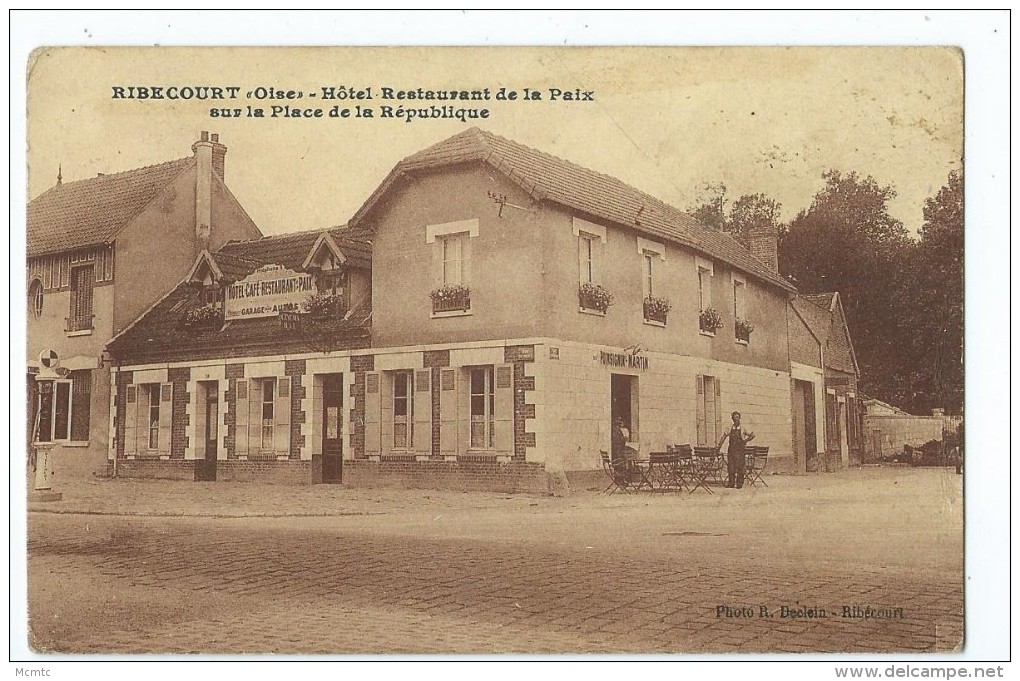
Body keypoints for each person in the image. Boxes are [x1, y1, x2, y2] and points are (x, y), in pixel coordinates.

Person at [717, 411, 755, 488]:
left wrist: (745, 441)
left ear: (739, 418)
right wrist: (718, 447)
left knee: (740, 466)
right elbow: (723, 437)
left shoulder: (743, 427)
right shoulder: (729, 428)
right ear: (732, 419)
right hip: (731, 450)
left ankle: (739, 484)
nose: (735, 419)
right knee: (731, 467)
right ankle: (731, 483)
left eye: (737, 417)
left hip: (740, 450)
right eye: (734, 418)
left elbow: (752, 435)